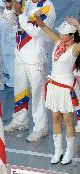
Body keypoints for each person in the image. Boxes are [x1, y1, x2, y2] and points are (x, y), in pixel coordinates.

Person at [4, 0, 56, 142]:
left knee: (38, 93)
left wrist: (21, 14)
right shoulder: (24, 2)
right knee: (20, 89)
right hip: (20, 52)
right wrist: (9, 8)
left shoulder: (47, 7)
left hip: (36, 56)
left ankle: (40, 128)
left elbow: (36, 31)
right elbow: (12, 22)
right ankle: (20, 120)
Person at [37, 19, 80, 165]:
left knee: (68, 120)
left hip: (66, 87)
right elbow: (43, 27)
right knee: (55, 118)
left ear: (71, 35)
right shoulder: (57, 41)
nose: (60, 33)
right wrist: (37, 18)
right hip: (54, 86)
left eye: (63, 32)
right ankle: (58, 150)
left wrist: (77, 24)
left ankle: (69, 151)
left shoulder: (75, 48)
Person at [0, 0, 16, 88]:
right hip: (3, 22)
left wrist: (4, 5)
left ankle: (14, 77)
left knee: (10, 50)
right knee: (5, 48)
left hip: (12, 23)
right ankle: (9, 70)